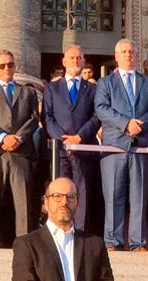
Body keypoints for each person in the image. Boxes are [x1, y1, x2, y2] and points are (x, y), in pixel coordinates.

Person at [94, 38, 148, 251]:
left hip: (141, 145)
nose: (128, 55)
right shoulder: (105, 83)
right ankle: (112, 242)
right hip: (114, 146)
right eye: (123, 52)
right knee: (114, 196)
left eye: (132, 51)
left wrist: (139, 125)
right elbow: (101, 108)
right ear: (116, 56)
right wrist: (126, 124)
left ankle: (138, 242)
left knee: (139, 197)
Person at [0, 49, 40, 248]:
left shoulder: (27, 92)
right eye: (2, 65)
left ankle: (24, 241)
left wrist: (18, 138)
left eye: (10, 64)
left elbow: (33, 118)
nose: (7, 68)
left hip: (21, 151)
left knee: (23, 200)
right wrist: (3, 137)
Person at [43, 44, 102, 234]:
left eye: (79, 58)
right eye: (72, 58)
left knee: (81, 194)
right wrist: (64, 140)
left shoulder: (93, 89)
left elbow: (96, 116)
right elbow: (47, 117)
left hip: (84, 150)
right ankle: (60, 230)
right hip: (59, 152)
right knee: (60, 192)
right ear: (64, 61)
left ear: (83, 61)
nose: (75, 61)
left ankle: (79, 232)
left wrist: (79, 137)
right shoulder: (52, 88)